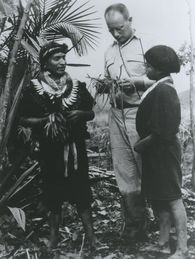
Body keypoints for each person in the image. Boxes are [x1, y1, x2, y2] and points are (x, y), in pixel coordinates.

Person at [18, 41, 96, 249]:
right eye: (57, 58)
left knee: (81, 190)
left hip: (76, 149)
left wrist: (80, 114)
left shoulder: (77, 86)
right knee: (53, 192)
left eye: (63, 57)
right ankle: (53, 238)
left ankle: (91, 237)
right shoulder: (34, 89)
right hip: (49, 151)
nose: (62, 62)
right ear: (45, 63)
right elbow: (23, 118)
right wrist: (44, 121)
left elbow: (91, 113)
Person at [104, 3, 154, 240]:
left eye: (119, 28)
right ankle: (135, 228)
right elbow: (106, 80)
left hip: (139, 114)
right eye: (111, 30)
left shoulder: (146, 45)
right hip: (116, 115)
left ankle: (162, 223)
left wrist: (138, 81)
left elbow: (163, 78)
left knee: (148, 168)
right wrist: (105, 85)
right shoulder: (108, 52)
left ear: (130, 20)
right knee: (124, 172)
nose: (115, 34)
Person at [135, 45, 188, 259]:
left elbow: (164, 129)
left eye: (149, 65)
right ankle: (163, 244)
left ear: (160, 68)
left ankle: (183, 249)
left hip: (163, 151)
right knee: (160, 198)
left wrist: (141, 145)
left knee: (173, 198)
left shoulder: (165, 90)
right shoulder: (159, 86)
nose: (146, 68)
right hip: (156, 152)